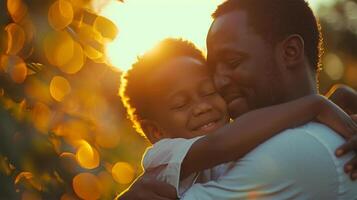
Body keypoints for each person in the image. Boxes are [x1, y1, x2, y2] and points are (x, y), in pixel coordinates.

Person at [119, 0, 357, 199]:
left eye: (233, 62)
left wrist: (318, 105)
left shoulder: (296, 150)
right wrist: (317, 104)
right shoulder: (318, 124)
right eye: (214, 69)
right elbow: (220, 144)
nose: (219, 82)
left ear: (290, 51)